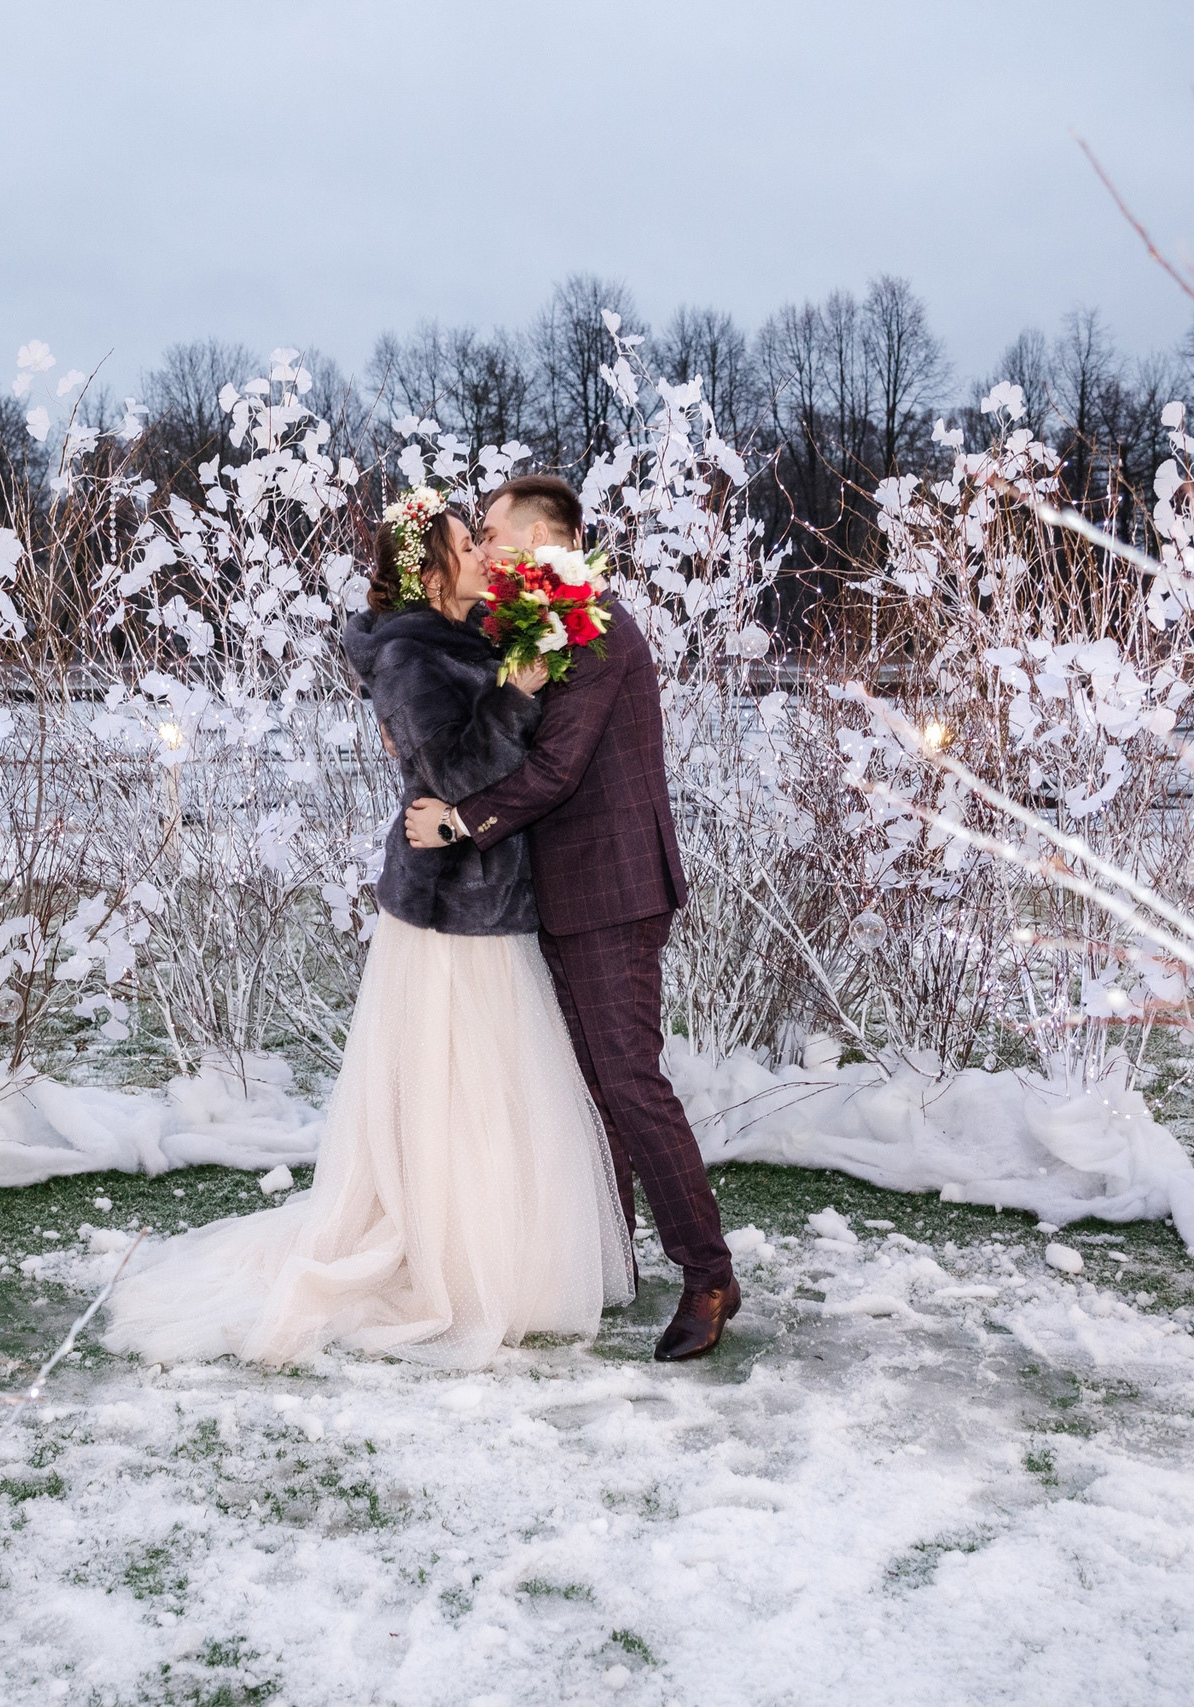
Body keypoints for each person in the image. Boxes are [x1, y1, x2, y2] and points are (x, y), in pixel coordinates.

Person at [98, 490, 633, 1368]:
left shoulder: (468, 635)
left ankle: (509, 1255)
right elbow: (455, 768)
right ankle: (452, 1261)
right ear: (431, 572)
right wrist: (519, 697)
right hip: (448, 906)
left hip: (493, 899)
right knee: (450, 1094)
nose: (483, 557)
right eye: (468, 544)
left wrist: (520, 669)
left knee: (498, 1093)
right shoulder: (414, 655)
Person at [403, 473, 740, 1361]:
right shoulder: (533, 623)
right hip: (561, 893)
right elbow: (465, 679)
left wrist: (458, 822)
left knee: (629, 1082)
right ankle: (607, 1263)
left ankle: (709, 1275)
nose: (492, 553)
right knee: (592, 1092)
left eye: (501, 541)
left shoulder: (593, 629)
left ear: (550, 543)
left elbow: (553, 771)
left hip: (615, 892)